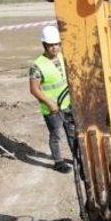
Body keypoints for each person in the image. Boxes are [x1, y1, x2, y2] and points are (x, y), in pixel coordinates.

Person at [29, 24, 75, 173]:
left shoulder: (62, 57)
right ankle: (58, 162)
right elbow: (34, 89)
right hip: (51, 108)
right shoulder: (37, 65)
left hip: (67, 103)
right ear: (44, 45)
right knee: (56, 135)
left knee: (72, 132)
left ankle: (77, 157)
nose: (55, 48)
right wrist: (49, 103)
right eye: (51, 45)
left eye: (56, 44)